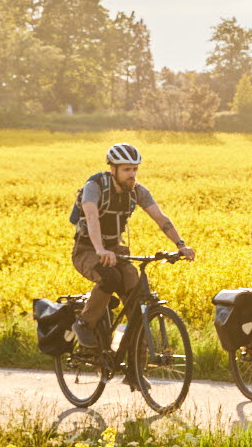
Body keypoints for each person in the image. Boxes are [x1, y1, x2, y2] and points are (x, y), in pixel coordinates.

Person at [69, 142, 194, 355]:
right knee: (110, 278)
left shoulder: (137, 192)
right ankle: (84, 324)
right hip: (87, 249)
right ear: (113, 169)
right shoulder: (95, 186)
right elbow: (91, 217)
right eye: (127, 169)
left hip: (115, 250)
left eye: (135, 169)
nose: (132, 174)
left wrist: (181, 245)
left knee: (138, 304)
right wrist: (100, 249)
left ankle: (136, 370)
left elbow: (160, 218)